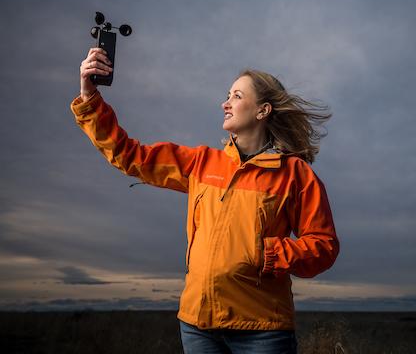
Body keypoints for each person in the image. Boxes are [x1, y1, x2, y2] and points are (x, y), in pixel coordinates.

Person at [71, 48, 340, 353]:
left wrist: (270, 253)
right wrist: (89, 96)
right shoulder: (201, 163)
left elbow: (324, 245)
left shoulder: (295, 175)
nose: (225, 103)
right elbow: (130, 156)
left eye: (237, 96)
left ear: (263, 111)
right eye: (228, 95)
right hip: (198, 326)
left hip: (261, 331)